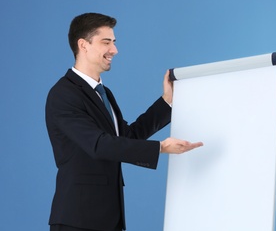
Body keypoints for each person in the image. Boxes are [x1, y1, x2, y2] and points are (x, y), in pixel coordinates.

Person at [45, 12, 203, 231]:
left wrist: (166, 102)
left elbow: (126, 138)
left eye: (114, 42)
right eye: (106, 42)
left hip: (109, 218)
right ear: (83, 45)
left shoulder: (104, 93)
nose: (114, 50)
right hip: (78, 220)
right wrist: (160, 148)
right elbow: (99, 145)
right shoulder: (63, 94)